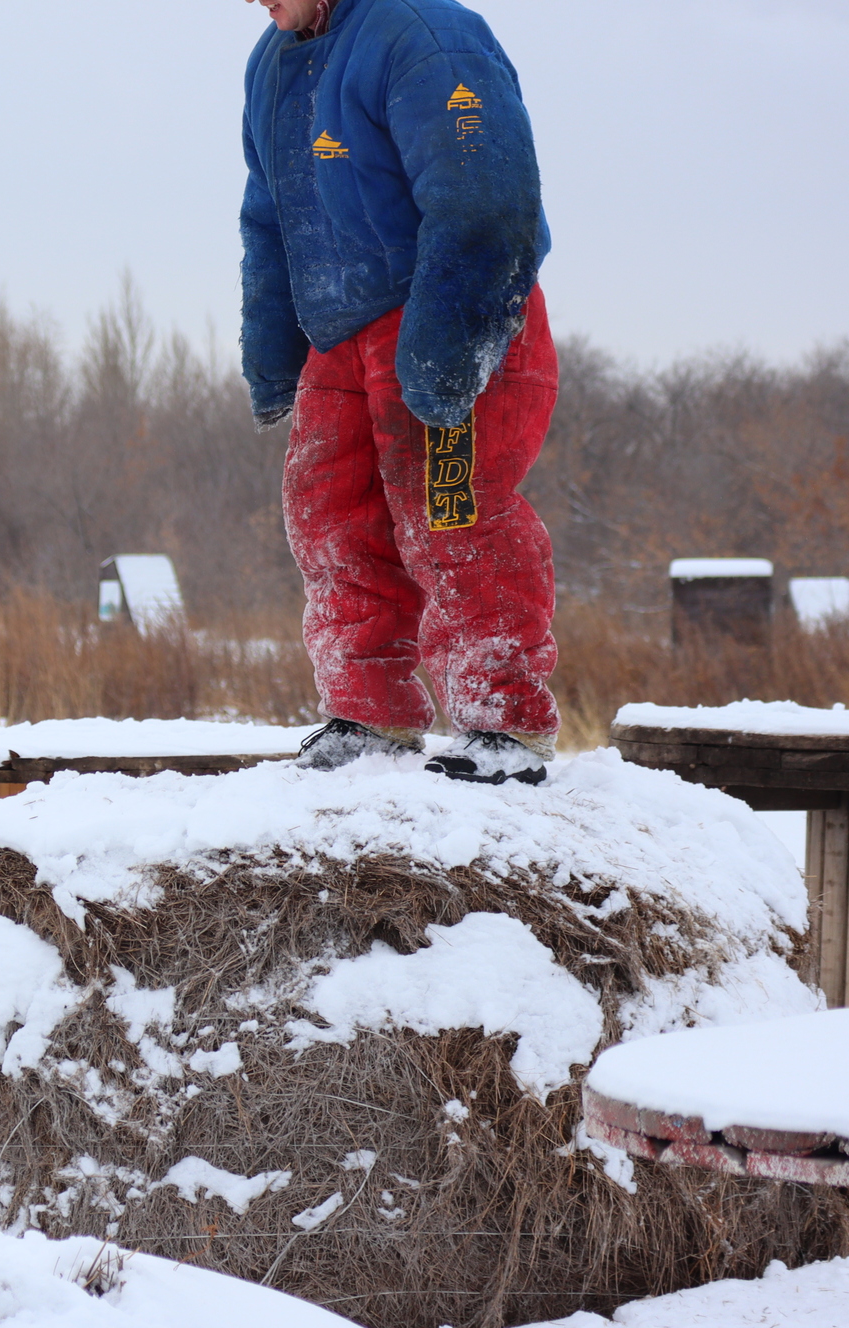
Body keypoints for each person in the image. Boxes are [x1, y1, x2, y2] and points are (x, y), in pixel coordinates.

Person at [241, 0, 560, 784]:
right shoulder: (271, 63)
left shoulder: (422, 34)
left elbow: (485, 192)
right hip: (339, 336)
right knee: (328, 514)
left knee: (452, 511)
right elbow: (269, 218)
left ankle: (502, 719)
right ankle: (367, 709)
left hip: (446, 313)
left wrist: (450, 344)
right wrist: (273, 346)